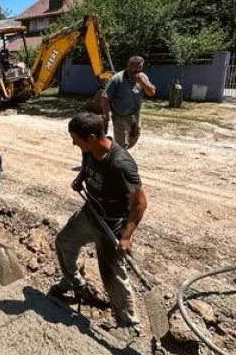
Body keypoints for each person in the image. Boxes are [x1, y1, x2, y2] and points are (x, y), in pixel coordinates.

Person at [50, 112, 148, 336]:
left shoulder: (120, 163)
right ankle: (72, 281)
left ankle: (128, 324)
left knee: (111, 272)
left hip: (111, 224)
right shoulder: (89, 149)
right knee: (64, 242)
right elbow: (87, 164)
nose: (73, 142)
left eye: (75, 138)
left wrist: (126, 237)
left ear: (92, 137)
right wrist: (81, 178)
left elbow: (140, 203)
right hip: (90, 212)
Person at [102, 55, 156, 149]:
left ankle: (115, 151)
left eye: (140, 67)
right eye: (135, 67)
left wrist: (142, 82)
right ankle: (119, 157)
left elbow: (152, 92)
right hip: (120, 117)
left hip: (135, 116)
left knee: (135, 136)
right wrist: (106, 114)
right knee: (122, 144)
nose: (137, 70)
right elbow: (105, 97)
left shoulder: (142, 77)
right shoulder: (117, 79)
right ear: (129, 66)